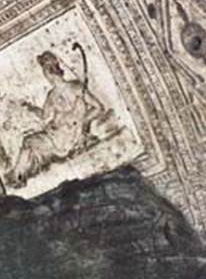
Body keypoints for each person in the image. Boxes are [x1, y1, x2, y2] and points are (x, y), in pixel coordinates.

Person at [8, 49, 122, 186]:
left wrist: (30, 108)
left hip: (61, 139)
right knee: (32, 143)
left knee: (28, 141)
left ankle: (16, 176)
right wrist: (82, 123)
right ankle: (20, 175)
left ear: (49, 72)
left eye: (45, 72)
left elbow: (44, 117)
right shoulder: (73, 88)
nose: (46, 76)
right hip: (61, 135)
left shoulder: (57, 94)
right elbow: (98, 108)